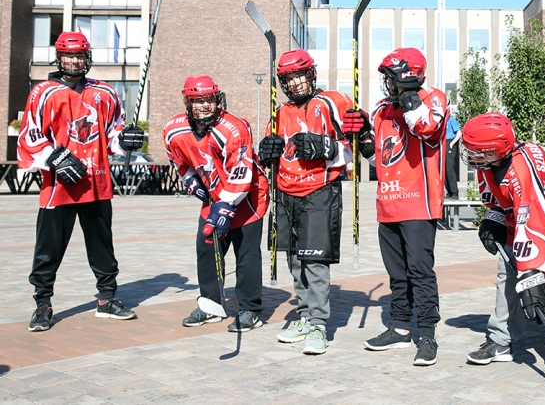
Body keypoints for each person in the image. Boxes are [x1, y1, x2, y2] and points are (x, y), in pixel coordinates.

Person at [17, 31, 144, 332]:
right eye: (68, 55)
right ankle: (42, 303)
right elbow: (29, 137)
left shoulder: (106, 92)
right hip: (57, 189)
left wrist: (126, 141)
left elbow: (113, 135)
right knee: (48, 249)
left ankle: (107, 299)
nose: (74, 61)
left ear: (87, 57)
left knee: (102, 246)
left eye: (79, 55)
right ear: (59, 57)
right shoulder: (43, 92)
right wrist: (55, 158)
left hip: (96, 183)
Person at [460, 113, 545, 385]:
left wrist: (532, 274)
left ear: (494, 149)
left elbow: (535, 221)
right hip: (526, 212)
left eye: (476, 150)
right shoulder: (490, 161)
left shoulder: (522, 171)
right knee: (506, 273)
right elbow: (502, 201)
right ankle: (500, 341)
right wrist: (493, 218)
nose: (469, 154)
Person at [343, 47, 447, 366]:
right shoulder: (381, 109)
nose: (386, 85)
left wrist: (409, 94)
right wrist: (360, 136)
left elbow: (426, 128)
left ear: (407, 75)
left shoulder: (433, 98)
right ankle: (400, 328)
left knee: (419, 271)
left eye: (391, 78)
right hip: (388, 202)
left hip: (419, 202)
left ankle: (426, 333)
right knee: (397, 273)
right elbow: (378, 159)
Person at [257, 49, 352, 355]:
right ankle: (303, 314)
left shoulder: (333, 101)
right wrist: (266, 152)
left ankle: (319, 324)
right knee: (295, 261)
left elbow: (353, 151)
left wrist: (326, 147)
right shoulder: (280, 111)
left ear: (311, 74)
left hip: (319, 192)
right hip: (286, 194)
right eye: (288, 78)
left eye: (300, 76)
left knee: (315, 261)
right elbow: (273, 155)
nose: (295, 83)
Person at [163, 75, 269, 331]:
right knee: (207, 249)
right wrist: (190, 180)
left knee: (246, 256)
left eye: (209, 99)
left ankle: (249, 310)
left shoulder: (235, 127)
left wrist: (227, 204)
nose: (204, 106)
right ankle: (211, 305)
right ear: (187, 103)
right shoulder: (173, 129)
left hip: (247, 198)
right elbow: (178, 160)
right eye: (197, 101)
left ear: (217, 99)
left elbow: (242, 170)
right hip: (214, 196)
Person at [445, 108, 461, 200]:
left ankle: (454, 192)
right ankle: (449, 191)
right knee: (445, 169)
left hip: (450, 142)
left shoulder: (451, 120)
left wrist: (451, 143)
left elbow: (459, 133)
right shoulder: (443, 122)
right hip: (444, 143)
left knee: (450, 168)